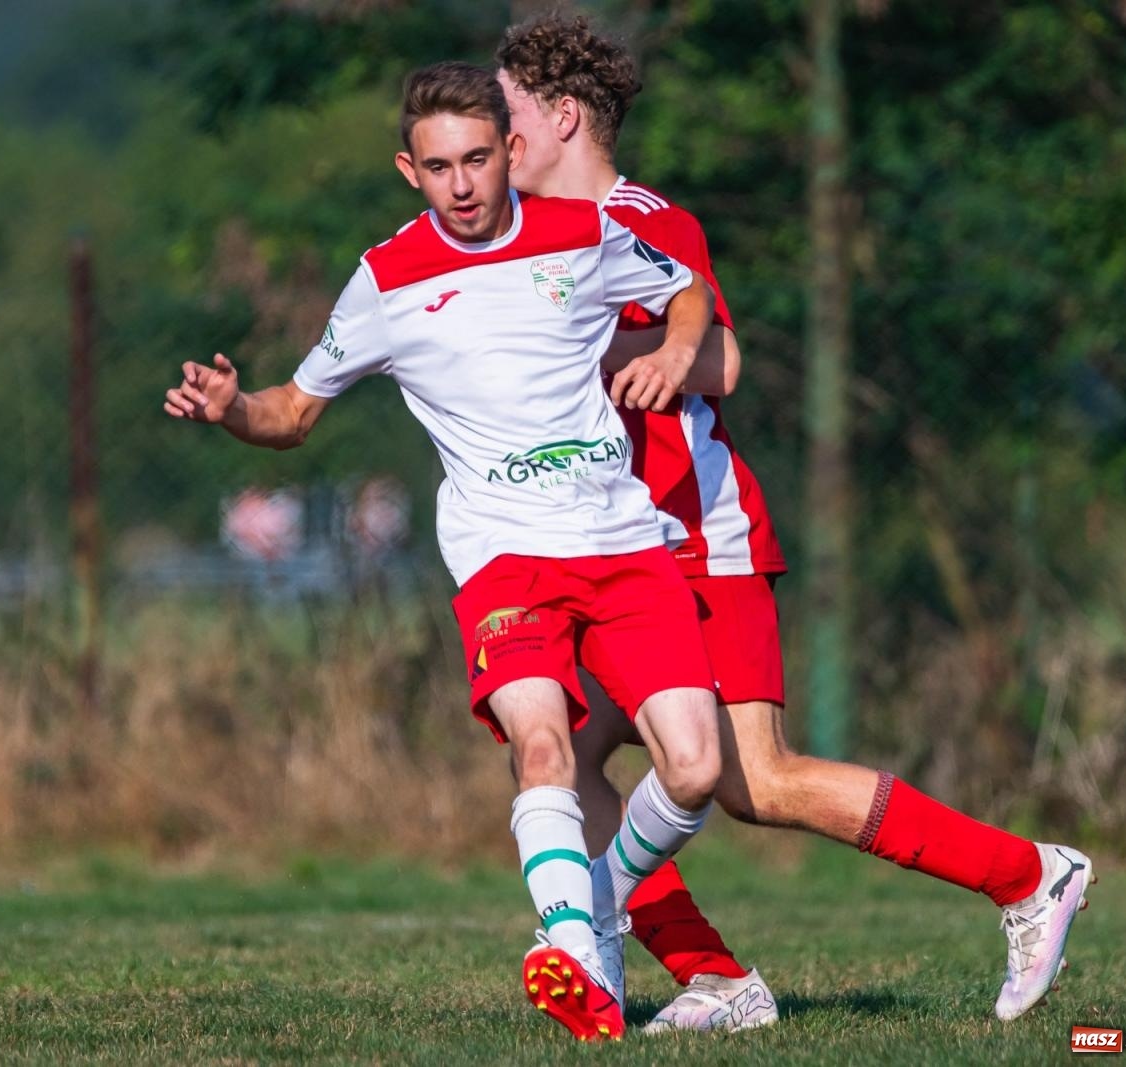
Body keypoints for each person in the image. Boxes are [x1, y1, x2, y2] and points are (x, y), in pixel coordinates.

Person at [494, 12, 1095, 1031]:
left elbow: (721, 355)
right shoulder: (527, 237)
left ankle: (1026, 872)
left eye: (505, 120)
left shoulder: (642, 217)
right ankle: (713, 978)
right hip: (613, 548)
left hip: (696, 543)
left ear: (562, 117)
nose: (494, 142)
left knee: (756, 780)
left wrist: (616, 366)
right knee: (559, 751)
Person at [166, 61, 730, 1043]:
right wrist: (230, 411)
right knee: (542, 744)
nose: (462, 184)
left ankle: (589, 908)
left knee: (691, 769)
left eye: (477, 159)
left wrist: (678, 350)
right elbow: (292, 413)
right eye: (438, 167)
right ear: (407, 170)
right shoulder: (387, 278)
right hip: (503, 558)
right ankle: (580, 958)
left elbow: (683, 290)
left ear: (512, 152)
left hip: (623, 542)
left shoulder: (583, 233)